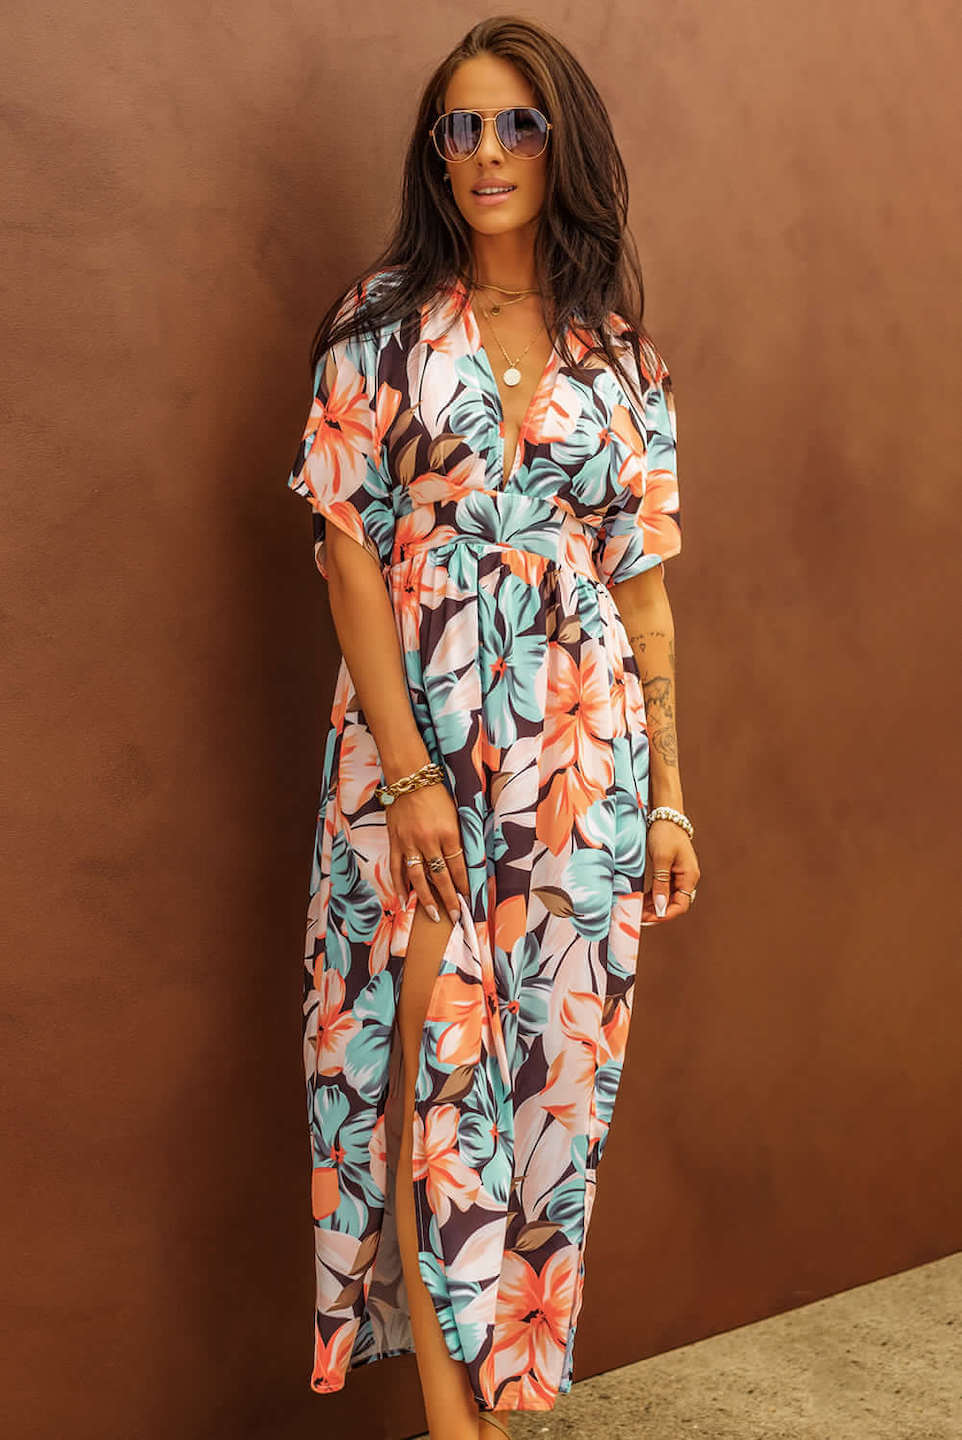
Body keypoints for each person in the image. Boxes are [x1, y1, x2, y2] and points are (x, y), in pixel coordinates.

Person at [284, 15, 701, 1440]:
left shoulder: (622, 361)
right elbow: (347, 558)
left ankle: (500, 1410)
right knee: (424, 1084)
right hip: (416, 767)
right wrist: (408, 775)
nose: (485, 153)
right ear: (435, 152)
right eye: (459, 127)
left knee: (539, 1099)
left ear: (562, 143)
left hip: (581, 773)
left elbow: (643, 601)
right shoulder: (379, 328)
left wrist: (668, 798)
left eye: (515, 123)